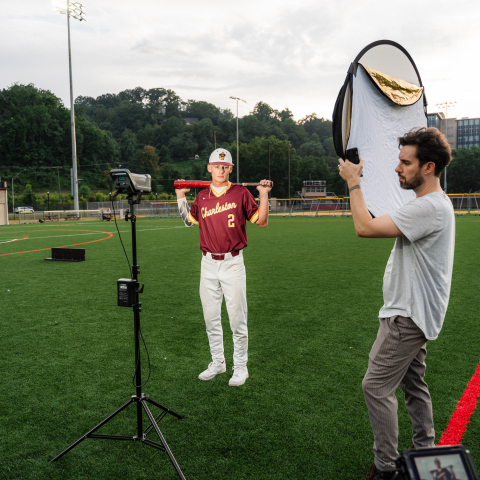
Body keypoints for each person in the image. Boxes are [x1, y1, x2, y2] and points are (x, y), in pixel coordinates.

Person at [338, 127, 455, 480]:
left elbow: (365, 227)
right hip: (417, 312)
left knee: (375, 386)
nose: (398, 168)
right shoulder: (432, 203)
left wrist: (353, 182)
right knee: (413, 384)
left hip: (407, 315)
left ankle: (386, 468)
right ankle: (425, 451)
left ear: (428, 167)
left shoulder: (429, 207)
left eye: (406, 162)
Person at [175, 148, 271, 387]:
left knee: (237, 319)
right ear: (209, 168)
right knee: (211, 318)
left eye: (225, 166)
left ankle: (240, 367)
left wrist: (263, 195)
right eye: (216, 166)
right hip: (207, 263)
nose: (220, 170)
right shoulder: (202, 196)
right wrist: (180, 196)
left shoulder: (241, 193)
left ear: (230, 169)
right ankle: (218, 362)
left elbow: (261, 221)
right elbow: (188, 221)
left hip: (233, 263)